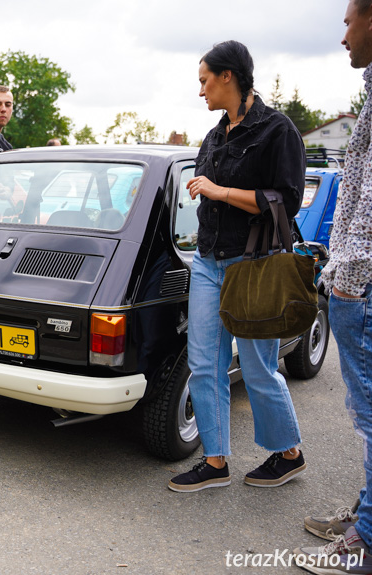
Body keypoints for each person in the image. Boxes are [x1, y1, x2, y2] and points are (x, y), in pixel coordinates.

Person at [167, 40, 307, 493]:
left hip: (254, 265)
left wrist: (220, 191)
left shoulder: (277, 130)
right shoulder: (214, 134)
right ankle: (215, 461)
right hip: (208, 263)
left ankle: (288, 452)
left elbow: (286, 202)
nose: (201, 91)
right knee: (204, 363)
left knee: (256, 366)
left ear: (229, 76)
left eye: (205, 80)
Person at [293, 2, 372, 571]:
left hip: (362, 286)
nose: (343, 34)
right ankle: (367, 513)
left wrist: (349, 274)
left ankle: (367, 541)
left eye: (350, 21)